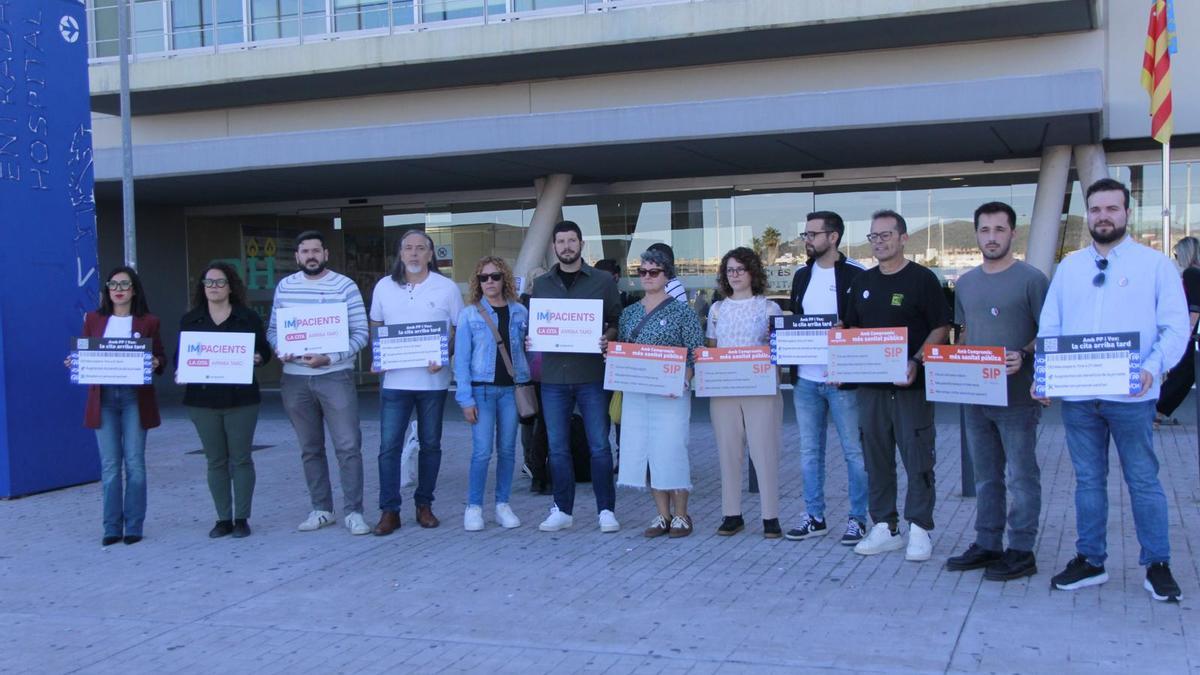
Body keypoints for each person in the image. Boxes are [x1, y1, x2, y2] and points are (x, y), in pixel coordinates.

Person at [1037, 178, 1188, 601]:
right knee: (1088, 482)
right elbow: (1052, 326)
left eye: (1112, 209)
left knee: (1143, 481)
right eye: (1096, 209)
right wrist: (1044, 374)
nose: (1103, 216)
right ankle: (1091, 560)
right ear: (1089, 215)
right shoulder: (1069, 267)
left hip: (1132, 398)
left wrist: (1152, 369)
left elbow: (1175, 328)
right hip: (1081, 399)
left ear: (1126, 213)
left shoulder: (1154, 265)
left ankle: (1157, 564)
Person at [944, 202, 1049, 580]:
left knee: (1022, 476)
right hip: (976, 396)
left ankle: (1021, 550)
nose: (991, 237)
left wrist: (1024, 354)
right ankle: (988, 543)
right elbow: (966, 333)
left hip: (1018, 397)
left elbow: (1050, 333)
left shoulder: (1032, 280)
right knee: (986, 477)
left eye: (999, 230)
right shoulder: (966, 283)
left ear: (1012, 233)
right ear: (976, 234)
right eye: (985, 230)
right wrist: (952, 362)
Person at [845, 209, 950, 562]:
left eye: (886, 235)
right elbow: (851, 331)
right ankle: (885, 527)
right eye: (874, 236)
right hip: (871, 390)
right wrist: (842, 361)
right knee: (876, 458)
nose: (879, 242)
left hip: (912, 388)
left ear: (903, 238)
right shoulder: (862, 282)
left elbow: (941, 327)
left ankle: (919, 528)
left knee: (917, 456)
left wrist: (916, 361)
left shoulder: (923, 279)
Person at [268, 230, 371, 536]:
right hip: (295, 380)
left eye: (316, 250)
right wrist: (279, 348)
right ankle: (321, 509)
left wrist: (330, 357)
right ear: (297, 256)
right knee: (310, 448)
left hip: (335, 376)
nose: (310, 256)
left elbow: (361, 333)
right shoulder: (285, 287)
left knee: (348, 446)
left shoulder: (345, 286)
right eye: (305, 251)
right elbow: (274, 329)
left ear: (326, 254)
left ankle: (354, 512)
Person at [529, 221, 623, 533]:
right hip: (554, 377)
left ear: (581, 244)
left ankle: (606, 510)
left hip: (592, 375)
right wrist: (532, 340)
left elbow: (615, 320)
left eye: (572, 240)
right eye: (561, 241)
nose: (567, 246)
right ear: (553, 246)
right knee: (557, 448)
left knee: (599, 445)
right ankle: (562, 509)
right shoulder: (542, 284)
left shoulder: (602, 281)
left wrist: (607, 336)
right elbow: (536, 325)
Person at [784, 211, 869, 545]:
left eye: (813, 234)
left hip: (842, 381)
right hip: (806, 379)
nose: (807, 240)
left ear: (833, 237)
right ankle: (814, 516)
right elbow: (797, 320)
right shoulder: (801, 276)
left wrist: (847, 333)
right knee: (809, 452)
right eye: (805, 234)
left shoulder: (857, 275)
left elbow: (867, 325)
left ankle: (858, 519)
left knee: (854, 452)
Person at [371, 229, 465, 533]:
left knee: (431, 445)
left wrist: (445, 354)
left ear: (430, 254)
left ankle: (424, 505)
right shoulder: (384, 287)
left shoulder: (447, 288)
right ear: (400, 254)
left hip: (432, 383)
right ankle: (389, 510)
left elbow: (457, 330)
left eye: (420, 249)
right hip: (395, 381)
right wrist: (378, 353)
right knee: (389, 448)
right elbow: (377, 323)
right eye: (408, 248)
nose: (414, 254)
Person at [179, 262, 273, 539]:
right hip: (202, 400)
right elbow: (181, 355)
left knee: (241, 459)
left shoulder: (248, 318)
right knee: (215, 461)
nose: (214, 288)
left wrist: (258, 357)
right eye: (209, 283)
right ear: (202, 288)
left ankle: (242, 518)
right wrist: (180, 368)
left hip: (241, 399)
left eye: (220, 282)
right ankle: (223, 518)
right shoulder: (191, 319)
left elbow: (264, 351)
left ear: (231, 286)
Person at [617, 248, 705, 538]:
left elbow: (696, 352)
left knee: (672, 449)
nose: (647, 277)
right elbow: (624, 351)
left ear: (667, 275)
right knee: (645, 451)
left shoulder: (682, 313)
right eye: (642, 272)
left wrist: (683, 381)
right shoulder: (629, 312)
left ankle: (681, 515)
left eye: (653, 272)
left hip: (671, 393)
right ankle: (662, 514)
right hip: (637, 394)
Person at [76, 267, 165, 546]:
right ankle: (111, 527)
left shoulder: (148, 321)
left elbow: (160, 357)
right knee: (111, 466)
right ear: (107, 289)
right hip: (103, 399)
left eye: (125, 284)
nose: (119, 289)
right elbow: (83, 354)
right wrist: (75, 362)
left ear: (134, 290)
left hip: (134, 398)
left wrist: (156, 362)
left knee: (135, 463)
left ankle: (135, 525)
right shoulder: (93, 319)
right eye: (113, 284)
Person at [705, 247, 784, 539]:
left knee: (764, 451)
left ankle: (770, 516)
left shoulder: (768, 308)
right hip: (725, 388)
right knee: (728, 452)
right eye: (730, 270)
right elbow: (712, 349)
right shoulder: (717, 309)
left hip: (759, 389)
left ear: (752, 272)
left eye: (740, 269)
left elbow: (778, 351)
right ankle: (732, 513)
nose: (734, 275)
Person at [454, 256, 529, 531]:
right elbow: (460, 360)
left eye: (495, 276)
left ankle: (502, 504)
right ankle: (474, 507)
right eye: (483, 277)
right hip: (481, 390)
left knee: (508, 450)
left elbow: (527, 349)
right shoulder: (470, 314)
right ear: (477, 282)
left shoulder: (520, 312)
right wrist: (464, 399)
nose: (489, 282)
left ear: (504, 279)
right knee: (482, 452)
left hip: (511, 390)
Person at [1155, 236, 1200, 427]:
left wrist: (1186, 333)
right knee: (1185, 374)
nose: (1176, 258)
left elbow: (1195, 308)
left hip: (1194, 332)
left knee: (1182, 373)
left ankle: (1156, 411)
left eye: (1176, 254)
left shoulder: (1191, 273)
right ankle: (1158, 412)